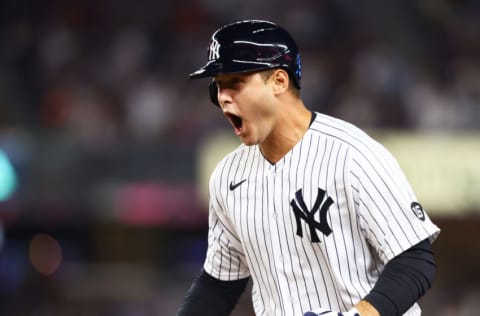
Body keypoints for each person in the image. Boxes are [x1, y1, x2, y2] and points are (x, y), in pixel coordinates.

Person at [177, 20, 440, 316]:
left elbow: (414, 261)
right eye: (218, 86)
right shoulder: (229, 175)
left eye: (235, 83)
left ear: (279, 81)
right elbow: (218, 285)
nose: (222, 97)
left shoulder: (353, 155)